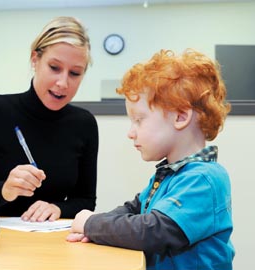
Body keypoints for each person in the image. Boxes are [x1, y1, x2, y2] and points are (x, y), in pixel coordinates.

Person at [67, 49, 234, 269]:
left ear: (180, 117)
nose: (131, 132)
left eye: (139, 120)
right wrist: (95, 228)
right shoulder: (168, 174)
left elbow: (153, 231)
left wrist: (92, 224)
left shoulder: (204, 179)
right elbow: (133, 208)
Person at [0, 16, 98, 222]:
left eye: (75, 73)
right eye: (54, 67)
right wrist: (4, 190)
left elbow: (85, 200)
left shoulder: (84, 124)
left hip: (51, 244)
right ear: (35, 59)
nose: (63, 82)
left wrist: (58, 208)